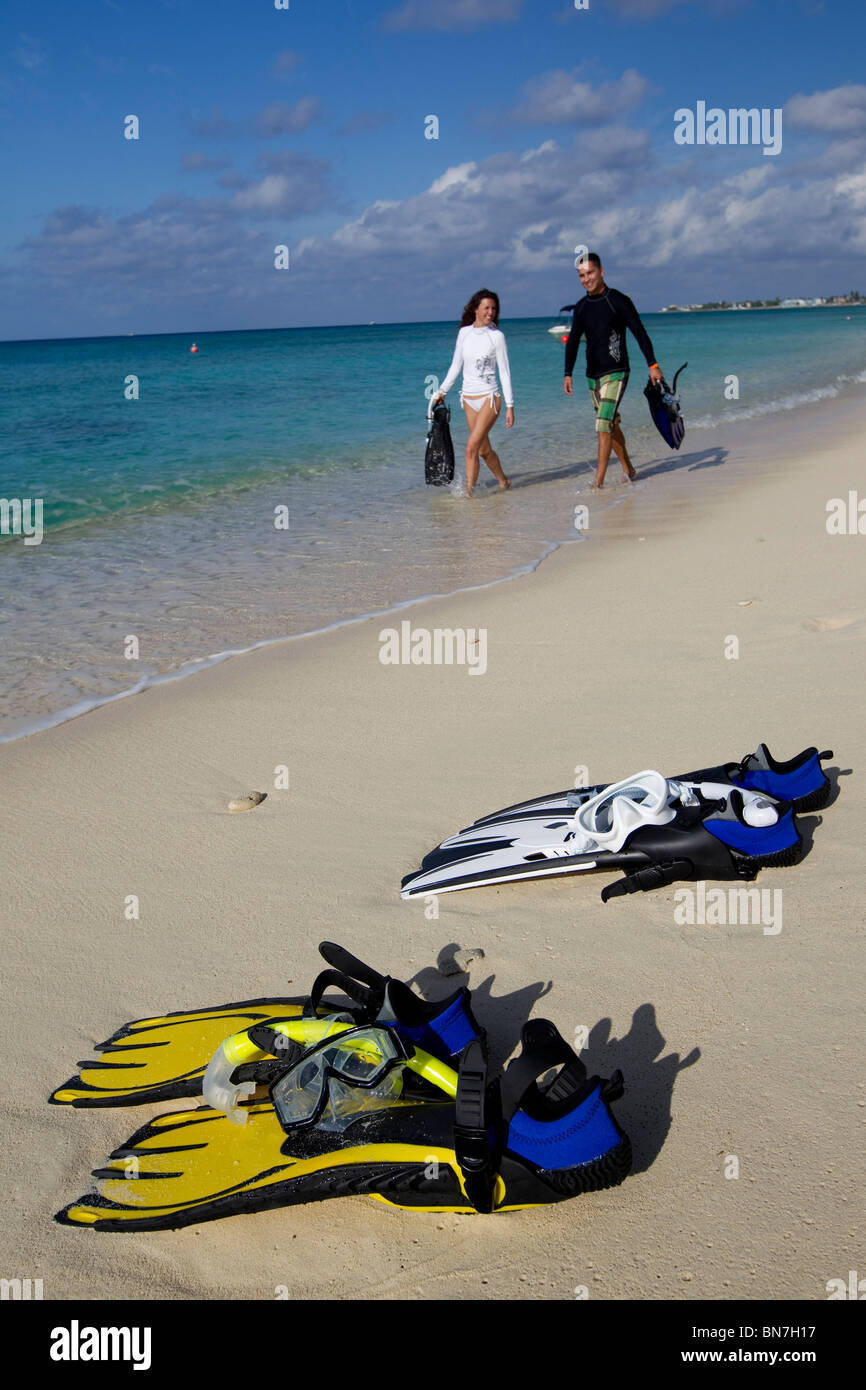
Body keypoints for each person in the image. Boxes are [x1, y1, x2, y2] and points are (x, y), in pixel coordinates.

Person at [563, 254, 663, 488]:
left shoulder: (617, 300)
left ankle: (597, 482)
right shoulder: (581, 307)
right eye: (582, 275)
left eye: (590, 273)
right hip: (592, 376)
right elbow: (574, 340)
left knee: (602, 424)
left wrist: (653, 365)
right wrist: (567, 372)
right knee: (611, 424)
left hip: (617, 371)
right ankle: (629, 468)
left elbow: (639, 331)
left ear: (602, 272)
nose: (586, 279)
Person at [432, 289, 514, 495]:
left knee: (471, 448)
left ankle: (468, 494)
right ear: (475, 309)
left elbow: (504, 372)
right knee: (484, 450)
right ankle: (504, 482)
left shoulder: (497, 337)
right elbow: (455, 366)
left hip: (490, 397)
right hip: (468, 399)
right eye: (486, 308)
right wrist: (441, 392)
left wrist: (510, 405)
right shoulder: (464, 333)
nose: (490, 312)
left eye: (494, 309)